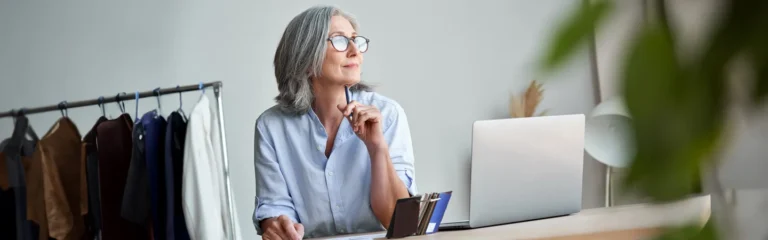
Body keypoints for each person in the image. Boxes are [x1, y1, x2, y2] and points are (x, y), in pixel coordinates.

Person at [252, 5, 418, 240]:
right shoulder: (271, 127)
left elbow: (398, 221)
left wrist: (377, 147)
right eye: (340, 41)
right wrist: (278, 226)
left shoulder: (388, 115)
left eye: (355, 40)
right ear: (307, 58)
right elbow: (275, 209)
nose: (354, 51)